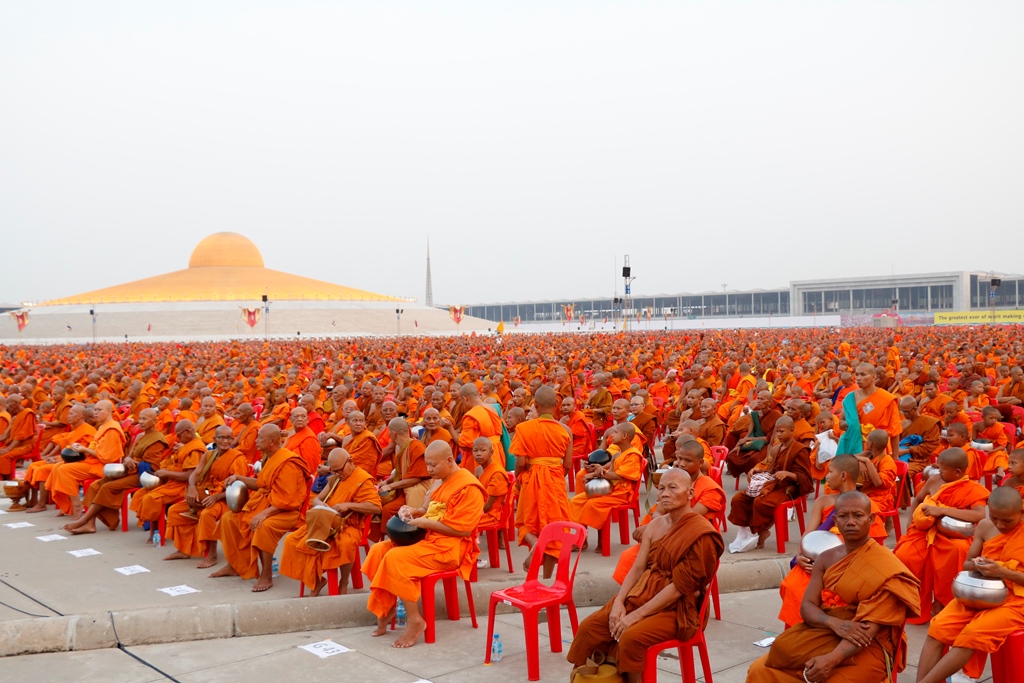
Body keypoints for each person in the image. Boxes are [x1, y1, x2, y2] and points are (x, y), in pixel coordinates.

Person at [567, 468, 724, 683]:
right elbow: (638, 568)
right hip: (642, 594)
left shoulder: (700, 533)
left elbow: (680, 587)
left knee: (631, 637)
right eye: (661, 489)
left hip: (678, 608)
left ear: (690, 493)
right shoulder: (656, 525)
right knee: (590, 628)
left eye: (672, 488)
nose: (665, 493)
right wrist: (619, 603)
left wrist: (635, 615)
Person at [746, 491, 920, 683]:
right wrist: (835, 624)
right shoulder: (825, 558)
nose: (850, 522)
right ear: (835, 521)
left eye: (858, 515)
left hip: (869, 646)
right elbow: (807, 607)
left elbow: (866, 631)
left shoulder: (887, 568)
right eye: (844, 516)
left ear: (871, 519)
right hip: (826, 633)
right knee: (759, 670)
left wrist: (831, 660)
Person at [361, 441, 485, 648]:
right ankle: (386, 605)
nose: (429, 470)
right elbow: (426, 509)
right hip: (428, 538)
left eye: (433, 465)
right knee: (379, 550)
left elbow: (463, 530)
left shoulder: (468, 487)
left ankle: (415, 620)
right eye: (427, 465)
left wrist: (426, 523)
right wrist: (411, 512)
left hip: (450, 548)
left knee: (395, 557)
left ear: (448, 460)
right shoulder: (440, 479)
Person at [916, 486, 1024, 683]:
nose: (1000, 525)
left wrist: (1003, 572)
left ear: (1021, 512)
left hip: (1017, 601)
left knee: (973, 633)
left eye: (1007, 520)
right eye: (995, 518)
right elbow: (967, 563)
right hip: (982, 592)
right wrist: (979, 565)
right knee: (938, 627)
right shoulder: (984, 526)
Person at [776, 455, 890, 629]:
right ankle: (796, 636)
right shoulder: (823, 501)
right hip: (815, 565)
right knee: (794, 586)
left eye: (830, 472)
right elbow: (808, 536)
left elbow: (872, 550)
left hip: (848, 569)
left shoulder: (866, 506)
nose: (826, 476)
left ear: (843, 476)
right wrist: (800, 556)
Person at [210, 424, 310, 592]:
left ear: (272, 441)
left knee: (263, 526)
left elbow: (288, 499)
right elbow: (261, 484)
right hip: (268, 505)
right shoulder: (269, 457)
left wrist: (264, 514)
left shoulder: (287, 462)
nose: (256, 441)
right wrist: (237, 477)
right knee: (228, 518)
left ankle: (266, 575)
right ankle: (235, 565)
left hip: (286, 511)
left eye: (260, 438)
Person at [612, 438, 725, 583]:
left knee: (638, 561)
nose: (681, 464)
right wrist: (653, 529)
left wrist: (652, 529)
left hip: (692, 540)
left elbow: (689, 520)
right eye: (679, 458)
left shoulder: (710, 488)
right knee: (629, 556)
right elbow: (659, 511)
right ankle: (637, 595)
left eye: (688, 461)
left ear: (701, 463)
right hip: (666, 532)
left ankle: (644, 595)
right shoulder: (674, 480)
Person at [893, 448, 989, 615]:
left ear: (958, 472)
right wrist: (910, 523)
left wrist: (943, 511)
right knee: (905, 555)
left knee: (958, 551)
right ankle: (913, 605)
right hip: (924, 531)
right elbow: (917, 500)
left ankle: (943, 602)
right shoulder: (934, 480)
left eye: (943, 469)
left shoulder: (972, 488)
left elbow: (979, 515)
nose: (939, 471)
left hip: (955, 535)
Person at [280, 447, 381, 595]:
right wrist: (321, 504)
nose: (336, 474)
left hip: (350, 525)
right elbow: (318, 499)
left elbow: (376, 508)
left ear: (350, 462)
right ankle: (316, 579)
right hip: (327, 522)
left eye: (339, 470)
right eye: (333, 471)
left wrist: (348, 505)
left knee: (345, 544)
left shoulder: (362, 480)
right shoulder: (335, 478)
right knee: (291, 540)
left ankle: (344, 581)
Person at [63, 408, 168, 534]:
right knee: (94, 486)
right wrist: (128, 459)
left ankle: (84, 519)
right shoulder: (140, 436)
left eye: (144, 419)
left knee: (107, 487)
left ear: (154, 421)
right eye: (140, 418)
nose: (140, 421)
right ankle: (90, 525)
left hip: (143, 475)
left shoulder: (158, 439)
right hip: (130, 470)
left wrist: (136, 463)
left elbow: (154, 467)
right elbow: (128, 455)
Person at [163, 425, 248, 566]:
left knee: (207, 514)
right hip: (208, 493)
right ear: (215, 439)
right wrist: (192, 488)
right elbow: (195, 474)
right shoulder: (209, 455)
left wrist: (217, 497)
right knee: (174, 511)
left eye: (228, 438)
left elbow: (239, 488)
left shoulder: (237, 458)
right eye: (221, 437)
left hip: (227, 499)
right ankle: (183, 550)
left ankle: (212, 555)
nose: (225, 441)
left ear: (233, 440)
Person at [512, 386, 573, 577]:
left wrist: (518, 476)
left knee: (526, 524)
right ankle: (547, 578)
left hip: (531, 480)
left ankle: (536, 544)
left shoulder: (523, 428)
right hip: (555, 479)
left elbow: (521, 461)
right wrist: (554, 475)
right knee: (555, 527)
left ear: (535, 405)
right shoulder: (566, 430)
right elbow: (568, 465)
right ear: (557, 404)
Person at [729, 416, 813, 552]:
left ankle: (762, 531)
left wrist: (788, 474)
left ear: (792, 431)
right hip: (772, 484)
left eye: (782, 431)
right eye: (777, 431)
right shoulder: (777, 448)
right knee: (739, 499)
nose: (778, 435)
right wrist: (759, 470)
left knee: (760, 502)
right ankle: (749, 532)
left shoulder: (800, 450)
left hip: (788, 487)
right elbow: (772, 470)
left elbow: (806, 478)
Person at [570, 423, 644, 551]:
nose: (611, 435)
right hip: (611, 491)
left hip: (622, 494)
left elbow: (619, 476)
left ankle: (602, 542)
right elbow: (610, 471)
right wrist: (598, 471)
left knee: (593, 504)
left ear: (625, 436)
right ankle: (580, 539)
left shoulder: (633, 455)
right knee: (576, 501)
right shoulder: (617, 454)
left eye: (615, 433)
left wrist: (597, 474)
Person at [130, 419, 204, 543]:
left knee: (151, 498)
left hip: (184, 487)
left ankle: (156, 532)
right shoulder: (186, 446)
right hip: (172, 483)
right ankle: (159, 528)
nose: (178, 438)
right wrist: (165, 469)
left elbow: (190, 476)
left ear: (188, 432)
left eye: (179, 435)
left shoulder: (195, 449)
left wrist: (167, 473)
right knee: (141, 493)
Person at [50, 400, 126, 519]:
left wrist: (84, 450)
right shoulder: (103, 426)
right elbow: (96, 448)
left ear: (109, 411)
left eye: (99, 410)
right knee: (57, 467)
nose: (95, 413)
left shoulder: (112, 429)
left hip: (105, 467)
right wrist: (82, 449)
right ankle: (67, 505)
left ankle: (77, 506)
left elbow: (105, 457)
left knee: (64, 470)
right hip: (94, 461)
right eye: (95, 409)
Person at [12, 404, 94, 512]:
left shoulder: (87, 431)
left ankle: (42, 504)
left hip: (78, 463)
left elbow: (81, 456)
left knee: (41, 469)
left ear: (80, 416)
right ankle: (33, 499)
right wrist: (54, 458)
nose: (68, 416)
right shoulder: (76, 430)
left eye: (71, 414)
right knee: (33, 465)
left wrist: (57, 459)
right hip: (67, 460)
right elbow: (69, 451)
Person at [373, 417, 429, 541]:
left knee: (388, 509)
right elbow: (400, 471)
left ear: (393, 433)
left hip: (417, 491)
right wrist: (388, 481)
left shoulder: (416, 446)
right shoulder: (401, 447)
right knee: (377, 503)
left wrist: (391, 486)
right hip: (404, 490)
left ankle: (392, 540)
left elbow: (417, 478)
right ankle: (386, 539)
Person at [453, 383, 505, 470]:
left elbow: (464, 445)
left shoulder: (471, 415)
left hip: (481, 458)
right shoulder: (493, 408)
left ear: (465, 399)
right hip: (496, 452)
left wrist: (450, 429)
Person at [855, 429, 897, 511]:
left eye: (866, 440)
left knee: (853, 507)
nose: (865, 441)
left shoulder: (887, 461)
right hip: (864, 494)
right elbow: (846, 459)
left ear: (870, 444)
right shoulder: (868, 454)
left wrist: (867, 462)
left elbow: (878, 483)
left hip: (881, 499)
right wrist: (860, 461)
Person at [473, 436, 509, 529]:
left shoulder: (497, 473)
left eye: (483, 450)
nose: (478, 454)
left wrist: (469, 510)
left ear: (491, 453)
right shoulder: (478, 470)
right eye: (475, 450)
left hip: (493, 514)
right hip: (479, 508)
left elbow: (487, 507)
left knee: (459, 522)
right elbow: (473, 493)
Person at [0, 394, 37, 480]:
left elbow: (21, 436)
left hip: (24, 446)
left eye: (9, 404)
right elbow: (5, 435)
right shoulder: (14, 417)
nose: (8, 407)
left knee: (3, 456)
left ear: (15, 403)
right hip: (15, 445)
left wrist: (8, 449)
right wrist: (6, 448)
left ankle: (7, 480)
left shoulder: (28, 413)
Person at [973, 405, 1009, 483]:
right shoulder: (976, 426)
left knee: (1000, 455)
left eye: (995, 418)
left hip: (995, 450)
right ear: (983, 417)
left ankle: (1000, 470)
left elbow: (1002, 446)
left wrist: (992, 451)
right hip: (981, 449)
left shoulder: (998, 427)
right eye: (991, 418)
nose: (994, 420)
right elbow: (973, 440)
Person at [340, 411, 382, 478]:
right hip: (344, 472)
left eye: (361, 421)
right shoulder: (346, 439)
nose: (358, 424)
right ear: (348, 422)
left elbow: (364, 463)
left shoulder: (368, 438)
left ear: (365, 423)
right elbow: (342, 457)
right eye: (355, 420)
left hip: (361, 476)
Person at [284, 407, 321, 474]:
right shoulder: (293, 434)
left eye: (303, 416)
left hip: (299, 476)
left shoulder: (309, 438)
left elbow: (310, 467)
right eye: (296, 416)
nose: (300, 419)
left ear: (307, 419)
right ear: (291, 420)